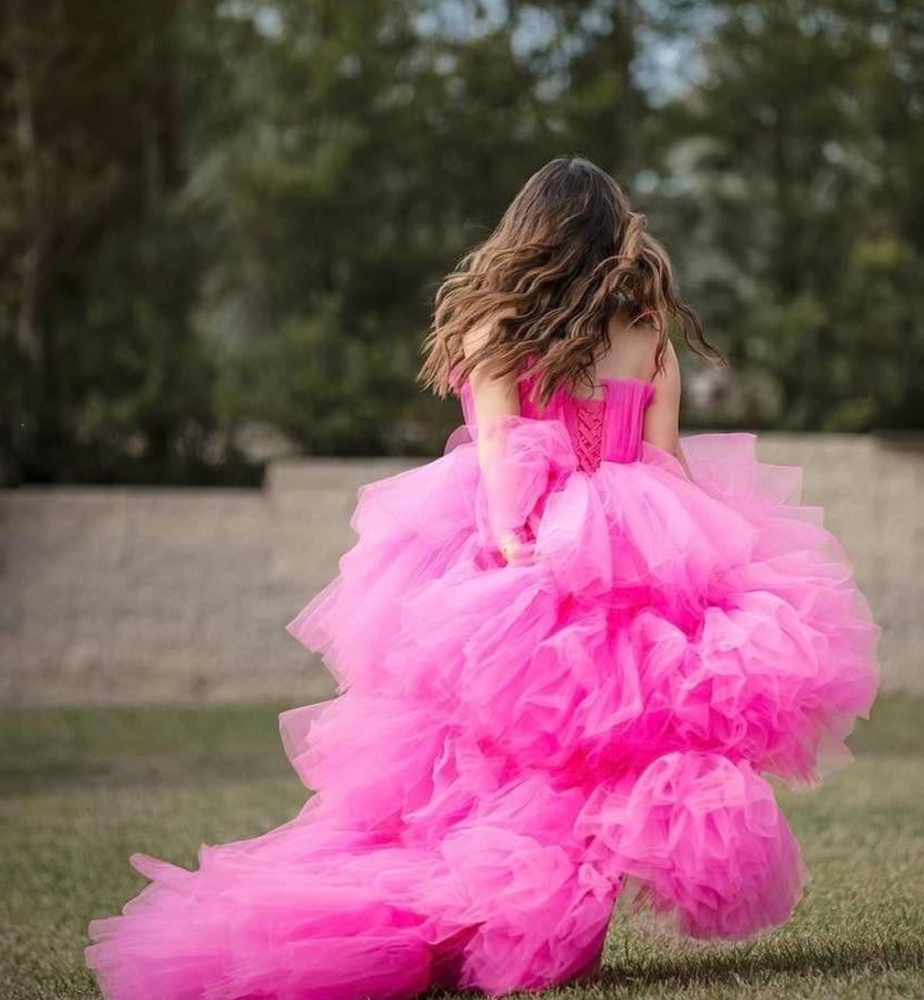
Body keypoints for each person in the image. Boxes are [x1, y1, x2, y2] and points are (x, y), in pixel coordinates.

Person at [85, 156, 880, 999]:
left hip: (526, 544)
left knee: (492, 756)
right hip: (630, 545)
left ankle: (512, 917)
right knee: (594, 756)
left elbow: (502, 443)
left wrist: (511, 544)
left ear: (526, 234)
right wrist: (707, 562)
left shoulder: (496, 325)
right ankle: (521, 920)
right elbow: (663, 458)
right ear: (614, 234)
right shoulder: (645, 328)